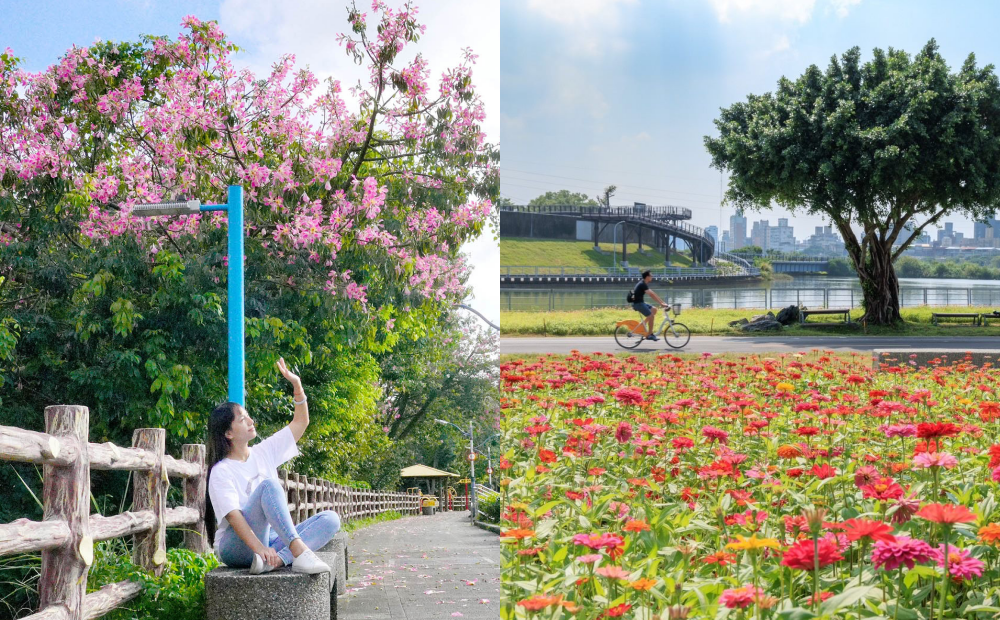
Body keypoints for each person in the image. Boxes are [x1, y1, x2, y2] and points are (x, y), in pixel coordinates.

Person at [206, 358, 340, 579]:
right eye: (242, 419)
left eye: (248, 416)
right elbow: (234, 519)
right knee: (269, 486)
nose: (250, 421)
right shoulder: (222, 471)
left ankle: (280, 560)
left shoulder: (263, 452)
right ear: (228, 433)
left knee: (330, 519)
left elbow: (300, 423)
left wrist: (297, 386)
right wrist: (260, 549)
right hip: (235, 548)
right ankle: (297, 552)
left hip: (268, 542)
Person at [630, 270, 669, 341]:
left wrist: (662, 302)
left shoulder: (644, 283)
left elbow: (653, 293)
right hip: (638, 304)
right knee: (651, 316)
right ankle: (650, 335)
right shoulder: (642, 284)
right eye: (651, 275)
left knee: (654, 309)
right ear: (647, 277)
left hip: (641, 303)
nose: (652, 277)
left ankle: (643, 324)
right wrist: (661, 304)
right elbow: (651, 295)